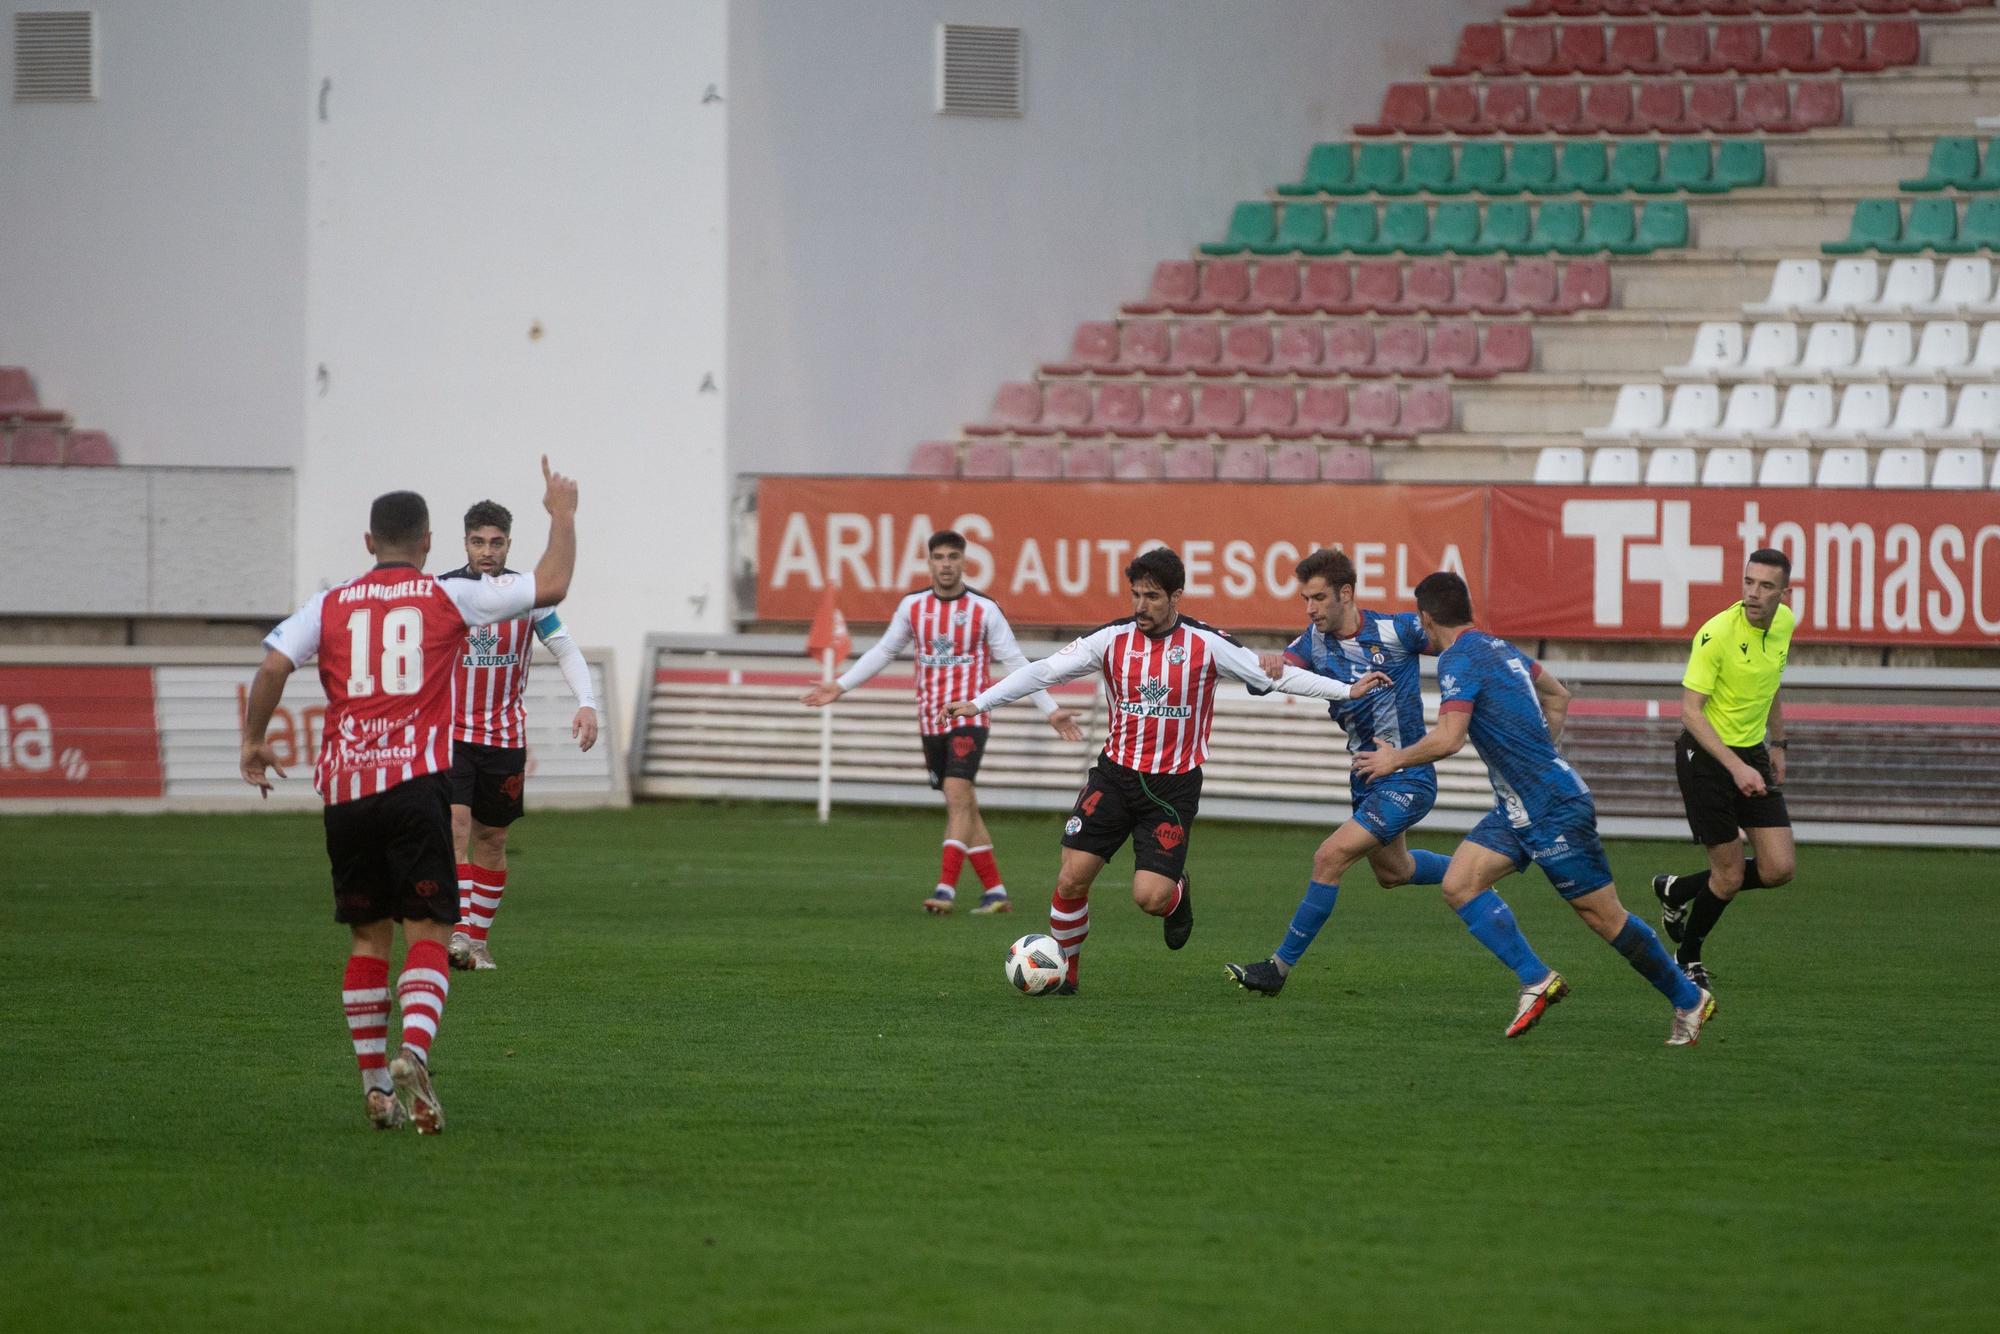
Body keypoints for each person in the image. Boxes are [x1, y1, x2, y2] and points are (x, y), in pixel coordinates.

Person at [240, 459, 579, 1133]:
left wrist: (253, 741)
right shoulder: (446, 597)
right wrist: (561, 513)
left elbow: (274, 664)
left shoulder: (330, 604)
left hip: (345, 792)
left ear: (369, 542)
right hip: (415, 784)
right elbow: (552, 585)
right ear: (428, 543)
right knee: (427, 931)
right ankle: (414, 1053)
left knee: (369, 936)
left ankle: (374, 1086)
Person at [943, 547, 1389, 994]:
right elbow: (1043, 672)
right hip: (1115, 777)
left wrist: (1347, 690)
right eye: (1136, 594)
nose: (1141, 606)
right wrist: (980, 702)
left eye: (1152, 596)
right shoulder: (1111, 639)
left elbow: (1276, 678)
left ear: (1177, 596)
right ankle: (1066, 977)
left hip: (1172, 790)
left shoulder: (1205, 643)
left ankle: (1177, 896)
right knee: (1071, 877)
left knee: (1149, 898)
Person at [1353, 572, 1716, 1046]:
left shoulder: (1458, 658)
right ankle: (1535, 978)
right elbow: (1558, 695)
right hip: (1518, 805)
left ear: (1425, 618)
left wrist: (1393, 759)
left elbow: (1450, 737)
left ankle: (1688, 999)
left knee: (1604, 917)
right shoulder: (1500, 647)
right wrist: (1542, 750)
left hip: (1553, 806)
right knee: (1460, 883)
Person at [803, 530, 1083, 915]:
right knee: (963, 803)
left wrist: (1050, 709)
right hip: (930, 720)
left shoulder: (984, 609)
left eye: (953, 556)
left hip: (971, 716)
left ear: (964, 561)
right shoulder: (913, 607)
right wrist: (841, 685)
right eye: (939, 557)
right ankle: (996, 893)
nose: (946, 564)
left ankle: (945, 890)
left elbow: (1017, 664)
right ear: (930, 562)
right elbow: (885, 650)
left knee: (956, 792)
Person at [1225, 548, 1453, 996]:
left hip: (1407, 775)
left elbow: (1457, 642)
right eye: (1305, 599)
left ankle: (1277, 969)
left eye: (1318, 598)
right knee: (1395, 872)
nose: (1309, 609)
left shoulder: (1398, 630)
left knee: (1329, 857)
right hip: (1366, 777)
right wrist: (1267, 668)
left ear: (1345, 593)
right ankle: (1476, 869)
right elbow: (1271, 678)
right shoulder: (1311, 642)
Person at [441, 499, 600, 971]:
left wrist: (587, 702)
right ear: (465, 542)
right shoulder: (444, 592)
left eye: (495, 542)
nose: (486, 551)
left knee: (492, 838)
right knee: (454, 826)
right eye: (477, 541)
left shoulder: (529, 597)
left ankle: (479, 941)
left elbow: (565, 648)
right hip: (450, 734)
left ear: (509, 544)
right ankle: (457, 933)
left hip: (504, 738)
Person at [1651, 549, 1798, 990]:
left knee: (1779, 869)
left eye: (1766, 586)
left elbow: (1771, 684)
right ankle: (1687, 955)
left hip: (1751, 754)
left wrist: (1779, 743)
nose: (1754, 593)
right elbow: (1690, 713)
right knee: (1730, 874)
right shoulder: (1715, 634)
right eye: (1749, 582)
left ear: (1783, 593)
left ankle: (1677, 890)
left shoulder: (1785, 623)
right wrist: (1735, 767)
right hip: (1708, 759)